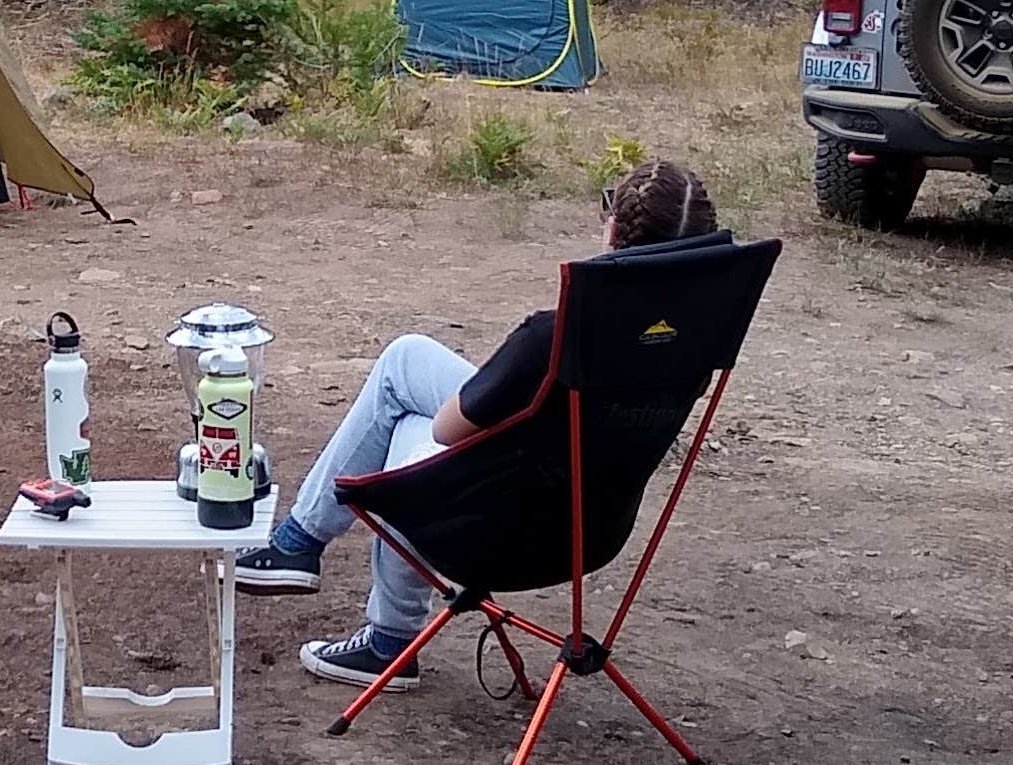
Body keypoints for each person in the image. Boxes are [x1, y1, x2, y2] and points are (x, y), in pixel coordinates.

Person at [237, 158, 721, 685]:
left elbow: (446, 430)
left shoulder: (553, 338)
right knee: (407, 357)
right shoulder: (699, 348)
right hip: (593, 533)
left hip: (495, 530)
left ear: (612, 232)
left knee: (403, 422)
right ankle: (303, 550)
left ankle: (371, 621)